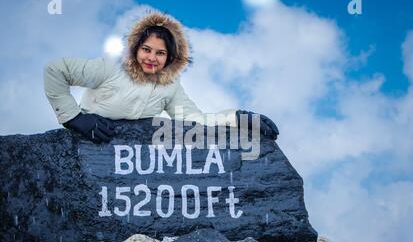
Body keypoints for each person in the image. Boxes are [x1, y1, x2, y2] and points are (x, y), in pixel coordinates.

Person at [44, 12, 278, 143]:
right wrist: (74, 118)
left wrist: (237, 119)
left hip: (124, 147)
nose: (151, 58)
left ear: (170, 57)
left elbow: (192, 118)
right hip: (85, 138)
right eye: (146, 49)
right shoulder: (111, 68)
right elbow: (56, 70)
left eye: (160, 53)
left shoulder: (170, 85)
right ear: (136, 48)